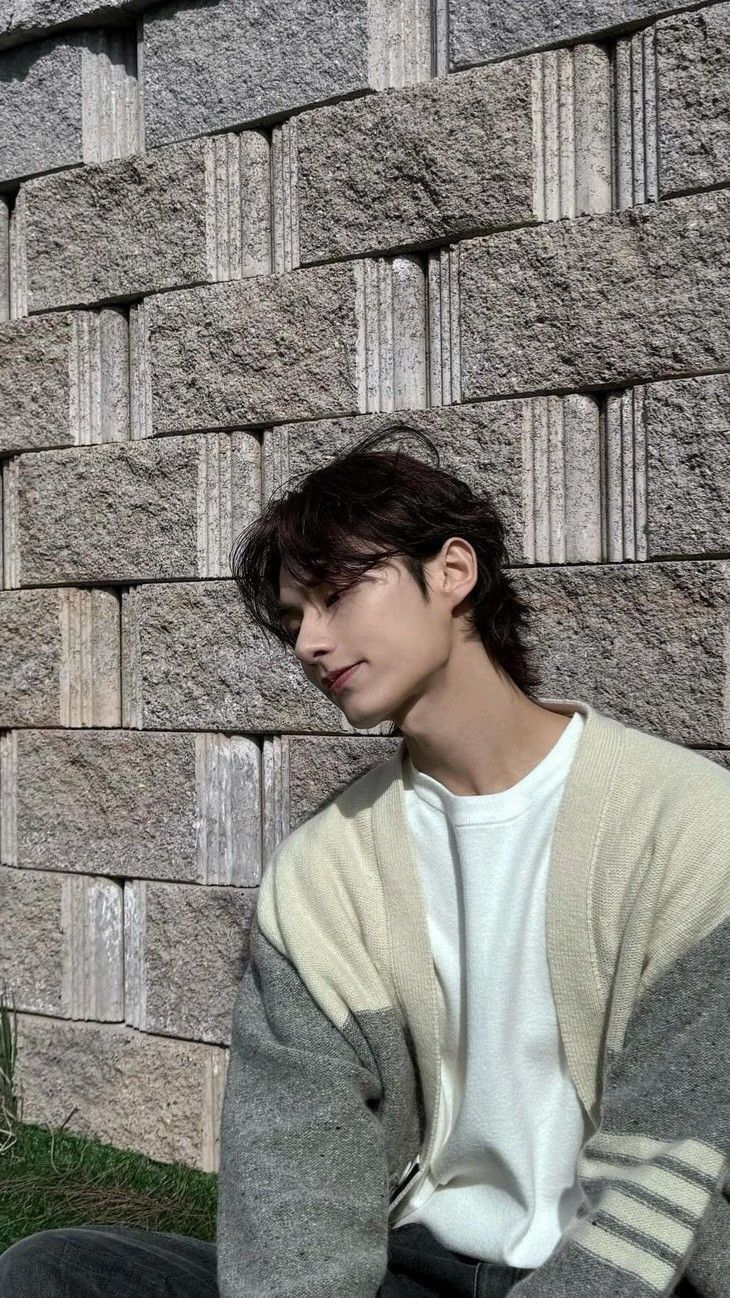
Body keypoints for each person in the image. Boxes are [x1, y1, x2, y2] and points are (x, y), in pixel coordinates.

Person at [2, 422, 727, 1298]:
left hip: (643, 1274)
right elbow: (294, 1184)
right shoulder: (324, 874)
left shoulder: (687, 824)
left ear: (453, 574)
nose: (309, 642)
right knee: (59, 1273)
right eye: (293, 618)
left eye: (337, 594)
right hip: (428, 1269)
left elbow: (671, 1160)